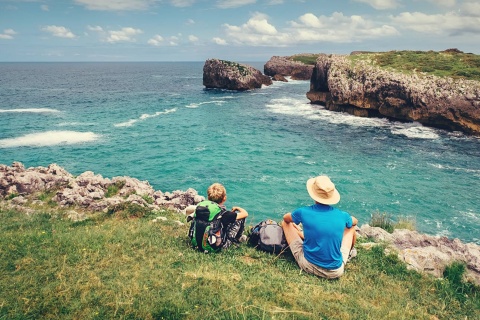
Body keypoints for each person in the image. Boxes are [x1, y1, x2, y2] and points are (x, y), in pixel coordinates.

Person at [281, 175, 357, 279]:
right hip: (335, 271)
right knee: (351, 227)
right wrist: (348, 219)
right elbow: (354, 222)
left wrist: (295, 222)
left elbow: (285, 218)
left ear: (313, 194)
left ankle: (302, 235)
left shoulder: (303, 212)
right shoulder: (342, 215)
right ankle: (349, 254)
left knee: (285, 223)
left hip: (309, 265)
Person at [189, 183, 248, 250]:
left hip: (196, 243)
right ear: (224, 198)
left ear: (208, 197)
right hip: (215, 246)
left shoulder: (200, 207)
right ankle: (238, 239)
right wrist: (237, 208)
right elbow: (245, 213)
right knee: (240, 218)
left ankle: (198, 241)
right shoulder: (224, 213)